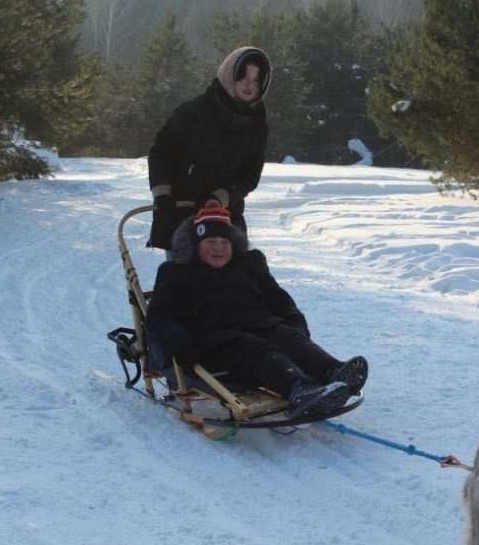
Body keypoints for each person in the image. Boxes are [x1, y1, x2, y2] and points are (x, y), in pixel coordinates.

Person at [145, 207, 369, 419]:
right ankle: (298, 389)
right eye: (210, 241)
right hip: (214, 341)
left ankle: (334, 371)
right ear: (194, 246)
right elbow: (160, 316)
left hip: (260, 325)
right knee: (258, 349)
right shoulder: (176, 272)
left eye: (224, 241)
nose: (218, 248)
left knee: (286, 336)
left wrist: (294, 321)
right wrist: (179, 342)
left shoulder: (248, 265)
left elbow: (277, 297)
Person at [147, 46, 272, 254]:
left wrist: (220, 198)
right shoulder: (194, 112)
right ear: (229, 75)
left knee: (228, 281)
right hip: (179, 212)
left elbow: (249, 175)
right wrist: (162, 194)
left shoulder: (257, 126)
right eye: (243, 77)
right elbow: (161, 152)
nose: (250, 84)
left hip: (225, 217)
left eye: (257, 79)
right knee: (183, 278)